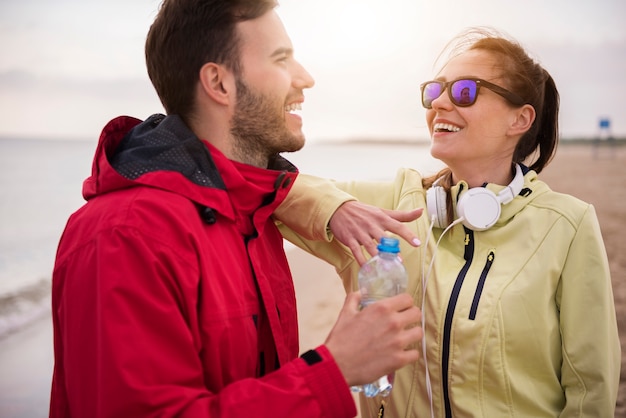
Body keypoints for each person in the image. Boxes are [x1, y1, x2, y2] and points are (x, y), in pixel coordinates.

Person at [48, 1, 425, 417]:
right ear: (219, 83)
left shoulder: (251, 216)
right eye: (282, 59)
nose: (306, 79)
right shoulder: (124, 234)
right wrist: (333, 371)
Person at [275, 27, 621, 417]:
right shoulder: (387, 207)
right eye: (434, 90)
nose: (439, 102)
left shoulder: (568, 225)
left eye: (464, 92)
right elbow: (272, 193)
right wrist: (335, 207)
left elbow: (589, 388)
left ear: (520, 119)